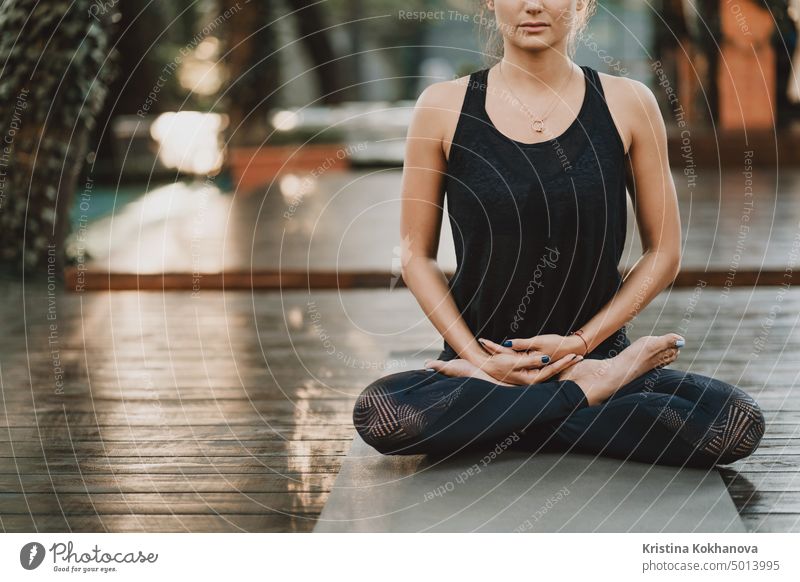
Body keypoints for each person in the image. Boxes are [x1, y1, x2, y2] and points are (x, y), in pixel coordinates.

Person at [352, 0, 765, 468]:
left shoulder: (628, 102)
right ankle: (585, 397)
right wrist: (481, 361)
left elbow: (664, 252)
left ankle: (521, 416)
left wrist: (583, 346)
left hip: (597, 355)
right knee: (383, 414)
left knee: (733, 422)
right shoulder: (442, 106)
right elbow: (416, 257)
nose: (532, 5)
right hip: (479, 372)